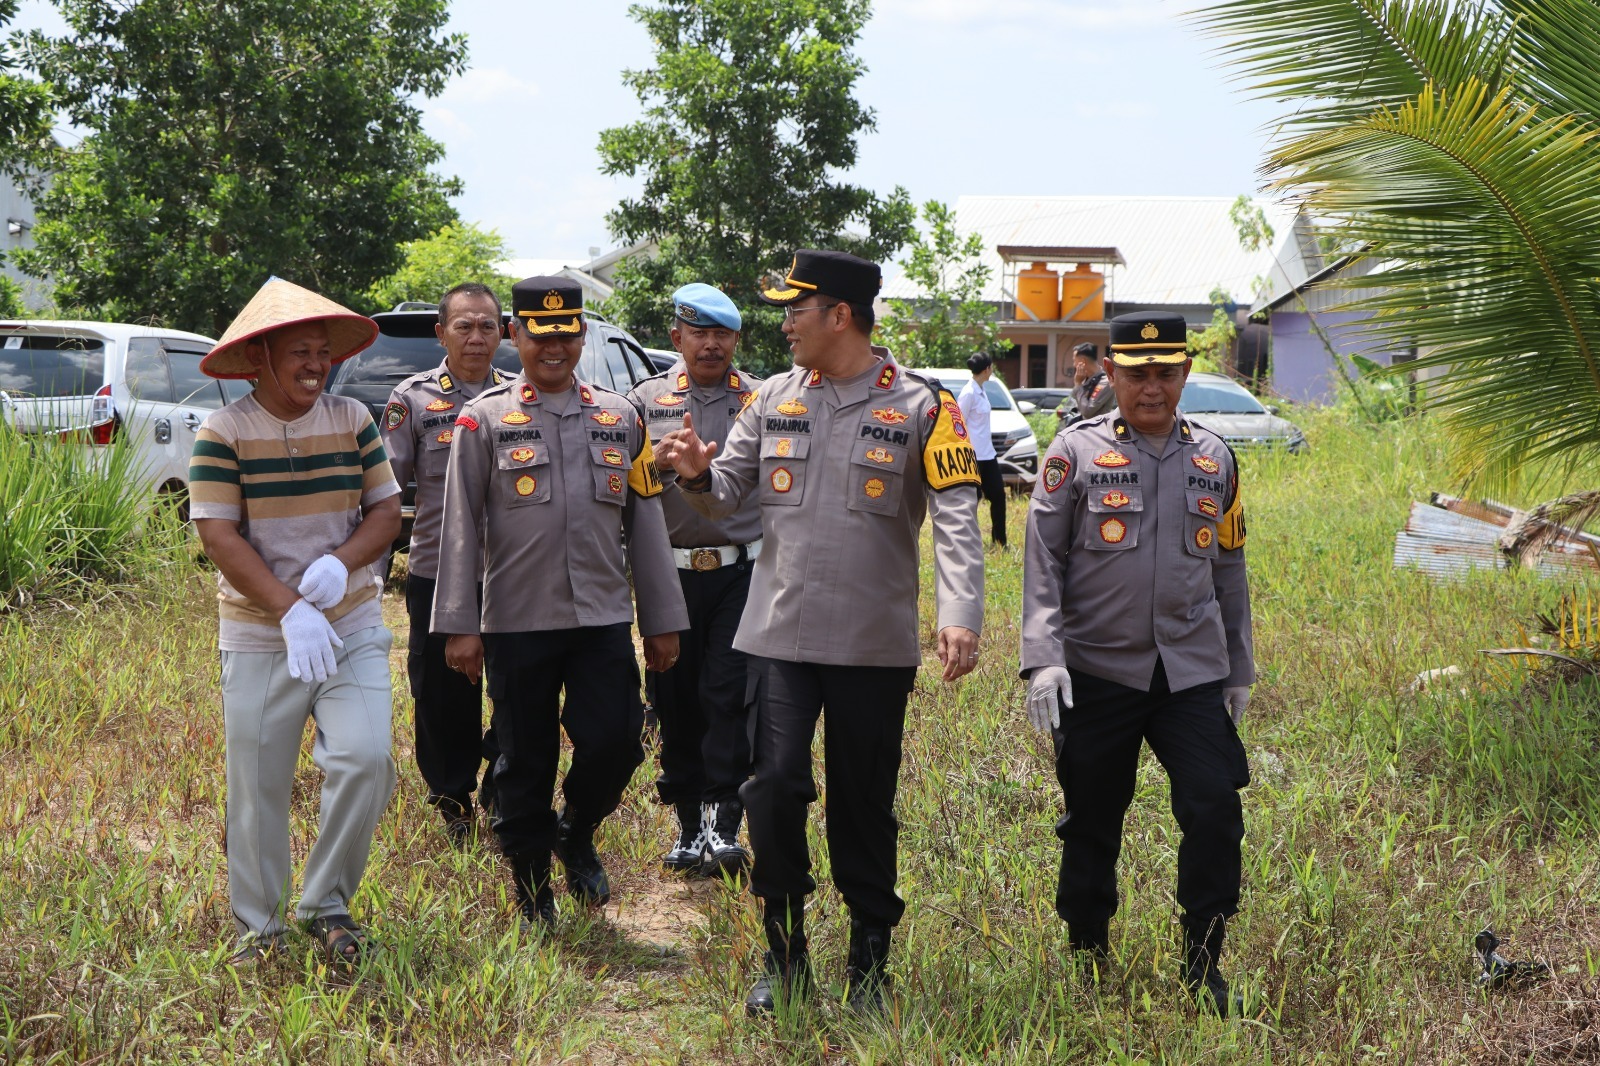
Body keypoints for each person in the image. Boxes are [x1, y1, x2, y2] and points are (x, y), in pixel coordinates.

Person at [658, 249, 986, 1016]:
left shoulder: (924, 405)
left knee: (862, 803)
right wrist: (697, 474)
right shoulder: (773, 398)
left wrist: (960, 613)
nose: (784, 326)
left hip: (871, 643)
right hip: (777, 635)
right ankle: (785, 956)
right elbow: (725, 494)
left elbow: (956, 517)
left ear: (840, 315)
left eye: (795, 311)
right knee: (772, 789)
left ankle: (869, 961)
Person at [430, 276, 688, 928]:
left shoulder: (621, 418)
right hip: (517, 621)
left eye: (566, 336)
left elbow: (647, 522)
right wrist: (459, 624)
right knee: (525, 757)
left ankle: (575, 829)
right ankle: (531, 887)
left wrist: (662, 620)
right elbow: (459, 527)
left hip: (602, 617)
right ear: (516, 335)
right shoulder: (482, 420)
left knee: (618, 741)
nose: (554, 348)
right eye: (540, 336)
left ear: (581, 337)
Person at [1019, 311, 1255, 1016]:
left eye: (1165, 373)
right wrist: (1044, 658)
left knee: (1214, 808)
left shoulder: (1215, 457)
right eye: (1137, 373)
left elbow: (1230, 568)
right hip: (1098, 671)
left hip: (1189, 671)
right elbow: (1043, 561)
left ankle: (1203, 961)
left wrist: (1238, 669)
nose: (1152, 387)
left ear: (1185, 373)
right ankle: (1088, 950)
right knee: (1092, 817)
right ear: (1111, 374)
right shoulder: (1074, 452)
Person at [189, 277, 402, 965]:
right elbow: (217, 534)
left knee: (367, 759)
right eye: (300, 353)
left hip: (350, 623)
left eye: (322, 352)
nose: (316, 365)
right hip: (259, 633)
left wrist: (341, 564)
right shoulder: (225, 431)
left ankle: (327, 904)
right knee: (258, 786)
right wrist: (288, 609)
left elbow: (386, 512)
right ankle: (260, 928)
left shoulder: (352, 418)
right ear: (260, 359)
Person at [626, 283, 762, 878]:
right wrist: (653, 466)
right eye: (699, 334)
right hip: (669, 574)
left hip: (742, 571)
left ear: (736, 339)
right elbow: (621, 485)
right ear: (676, 337)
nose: (711, 345)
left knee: (729, 694)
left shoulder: (762, 399)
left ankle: (724, 822)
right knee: (675, 697)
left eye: (722, 334)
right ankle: (687, 820)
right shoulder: (641, 401)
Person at [382, 283, 511, 846]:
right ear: (441, 333)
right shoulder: (411, 400)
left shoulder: (522, 395)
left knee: (517, 688)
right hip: (437, 571)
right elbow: (384, 496)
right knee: (441, 696)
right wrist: (369, 577)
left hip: (512, 574)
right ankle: (453, 803)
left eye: (487, 326)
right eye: (464, 326)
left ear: (503, 333)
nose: (476, 337)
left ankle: (502, 788)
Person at [958, 351, 1007, 548]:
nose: (992, 370)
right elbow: (958, 423)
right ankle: (968, 542)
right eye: (991, 367)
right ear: (987, 369)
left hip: (988, 455)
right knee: (972, 501)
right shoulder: (968, 393)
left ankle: (1000, 541)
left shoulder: (981, 389)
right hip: (973, 456)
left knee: (998, 496)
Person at [1070, 342, 1115, 422]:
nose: (1074, 365)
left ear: (1083, 361)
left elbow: (1087, 411)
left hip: (1097, 428)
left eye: (1074, 361)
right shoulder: (1085, 379)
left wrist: (1078, 384)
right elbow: (1073, 398)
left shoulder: (1105, 382)